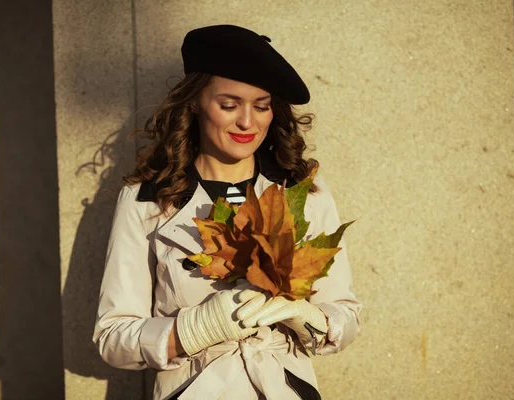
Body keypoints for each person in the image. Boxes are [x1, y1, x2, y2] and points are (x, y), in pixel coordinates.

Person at [93, 24, 361, 400]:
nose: (247, 122)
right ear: (194, 103)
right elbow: (112, 337)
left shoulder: (304, 193)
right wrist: (193, 330)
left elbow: (347, 318)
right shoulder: (148, 200)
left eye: (262, 106)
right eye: (230, 105)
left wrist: (311, 319)